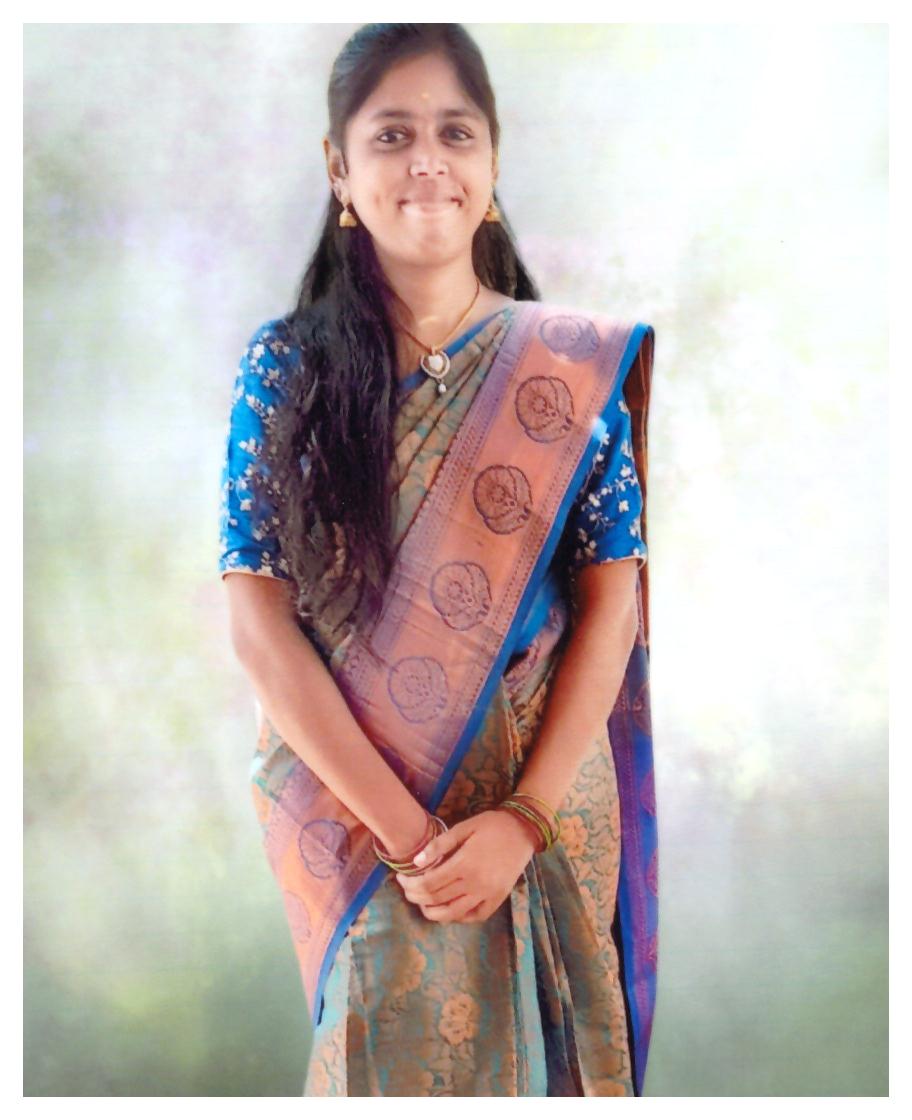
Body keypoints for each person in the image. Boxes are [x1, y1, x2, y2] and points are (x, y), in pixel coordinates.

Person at [218, 23, 658, 1097]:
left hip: (542, 813)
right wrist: (411, 836)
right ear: (340, 170)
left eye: (456, 133)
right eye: (392, 135)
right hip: (367, 820)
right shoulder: (289, 369)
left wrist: (523, 821)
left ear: (492, 161)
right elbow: (259, 623)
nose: (427, 162)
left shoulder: (566, 369)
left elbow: (612, 605)